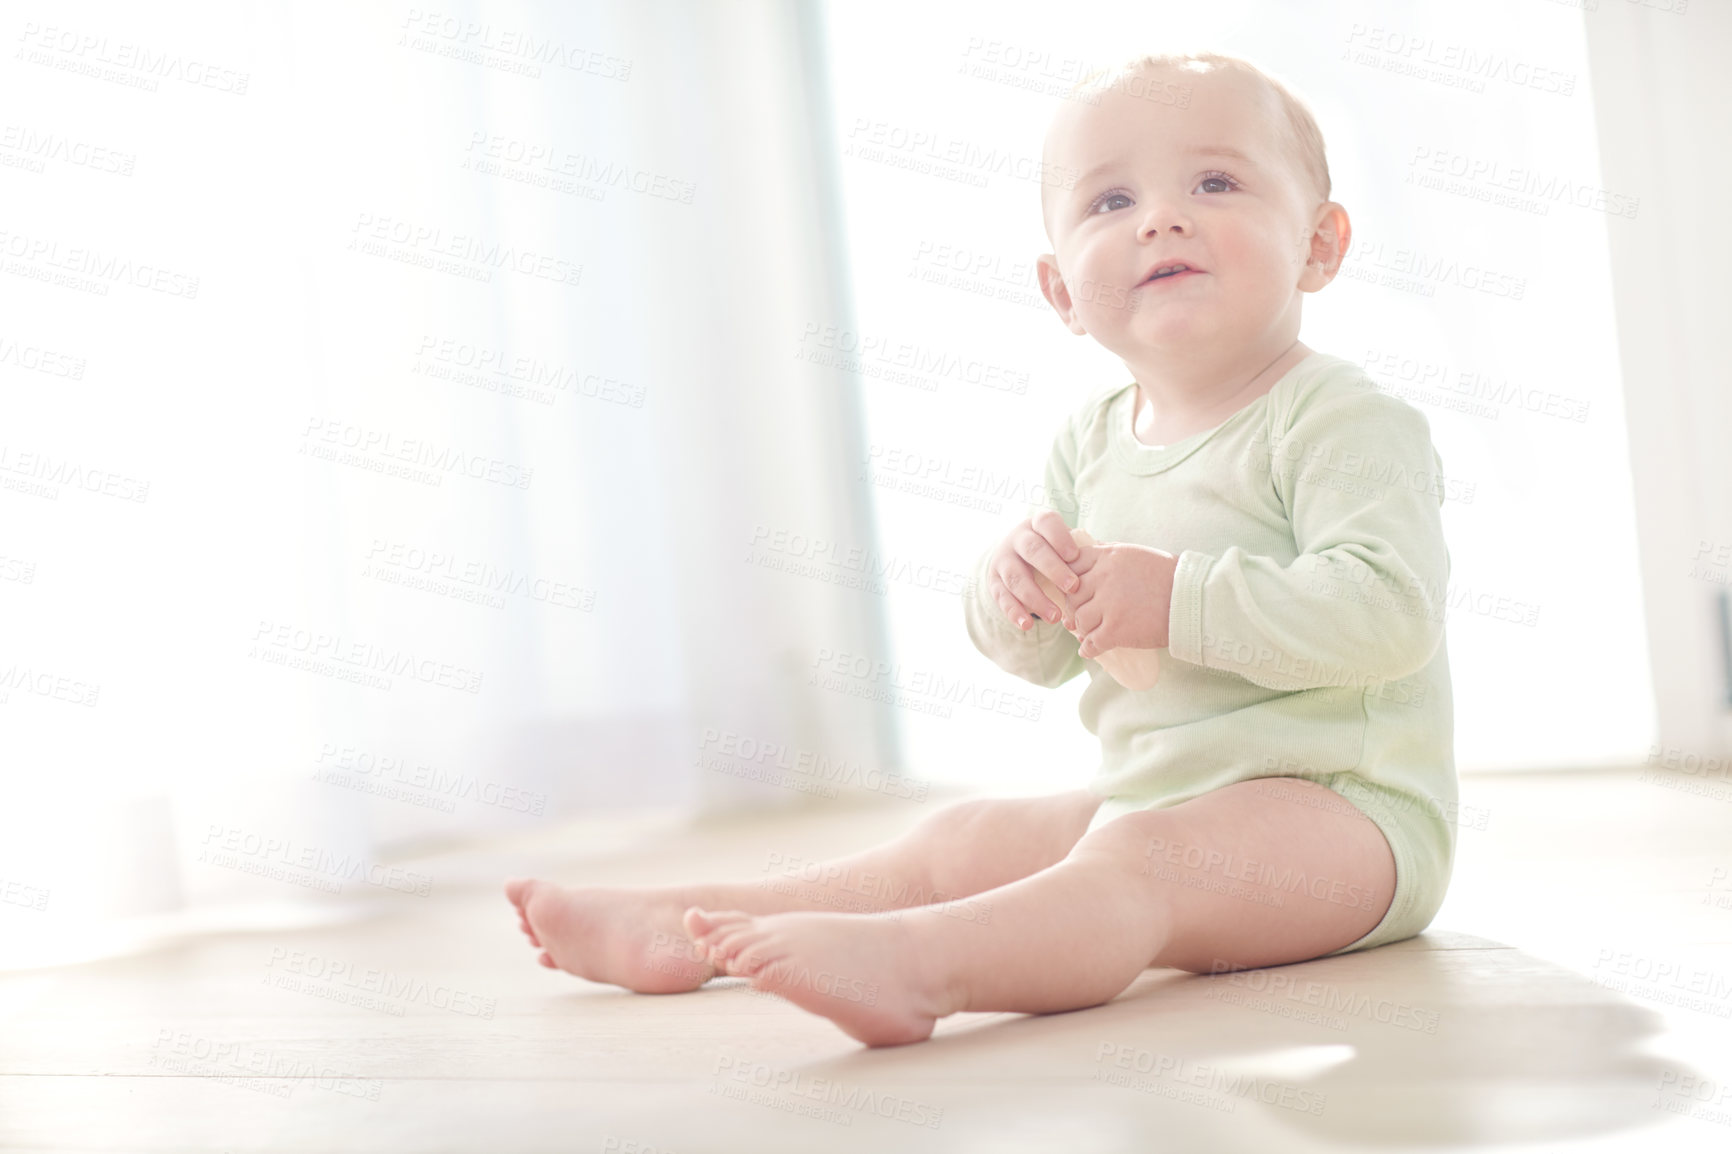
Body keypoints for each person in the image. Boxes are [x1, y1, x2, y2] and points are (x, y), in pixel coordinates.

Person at [507, 51, 1458, 1047]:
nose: (1160, 218)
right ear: (1058, 292)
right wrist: (1015, 594)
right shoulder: (1090, 438)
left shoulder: (1342, 420)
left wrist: (1174, 597)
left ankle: (925, 965)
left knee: (1140, 857)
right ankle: (693, 921)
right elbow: (1046, 655)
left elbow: (1388, 614)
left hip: (1349, 822)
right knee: (967, 837)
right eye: (1110, 199)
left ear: (1319, 243)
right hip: (1163, 793)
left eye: (1214, 182)